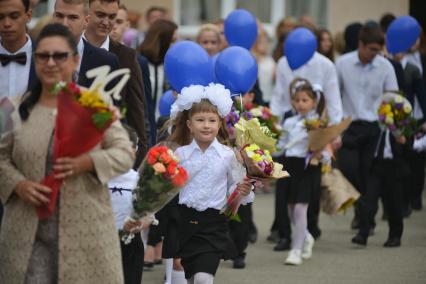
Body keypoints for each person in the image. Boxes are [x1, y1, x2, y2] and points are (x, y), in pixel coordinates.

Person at [0, 23, 134, 283]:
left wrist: (89, 162)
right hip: (26, 234)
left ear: (75, 61)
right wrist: (17, 184)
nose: (50, 63)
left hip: (85, 234)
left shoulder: (95, 103)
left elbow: (123, 152)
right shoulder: (10, 107)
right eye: (42, 55)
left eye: (59, 56)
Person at [164, 84, 256, 283]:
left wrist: (242, 189)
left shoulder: (228, 155)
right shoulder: (180, 155)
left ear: (220, 123)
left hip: (213, 224)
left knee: (203, 279)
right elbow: (168, 188)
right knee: (185, 277)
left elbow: (235, 187)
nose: (206, 125)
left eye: (212, 120)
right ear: (189, 124)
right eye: (200, 120)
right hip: (185, 223)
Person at [336, 23, 398, 231]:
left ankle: (365, 220)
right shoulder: (343, 63)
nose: (375, 54)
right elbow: (335, 94)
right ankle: (365, 212)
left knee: (368, 174)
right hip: (350, 126)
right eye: (371, 49)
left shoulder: (385, 66)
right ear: (360, 45)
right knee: (348, 170)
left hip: (374, 128)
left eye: (378, 50)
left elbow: (393, 98)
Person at [85, 0, 147, 167]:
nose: (106, 22)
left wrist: (138, 162)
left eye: (112, 17)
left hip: (111, 156)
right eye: (100, 15)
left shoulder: (126, 56)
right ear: (87, 13)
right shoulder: (70, 49)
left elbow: (136, 111)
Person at [277, 78, 327, 265]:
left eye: (305, 100)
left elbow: (325, 149)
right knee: (291, 211)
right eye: (297, 100)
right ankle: (306, 236)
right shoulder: (289, 122)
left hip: (308, 168)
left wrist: (322, 154)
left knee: (299, 210)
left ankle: (295, 250)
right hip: (290, 166)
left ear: (314, 102)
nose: (300, 104)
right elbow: (281, 146)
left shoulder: (318, 123)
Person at [352, 94, 411, 247]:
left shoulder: (402, 127)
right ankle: (363, 233)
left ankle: (395, 236)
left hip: (394, 168)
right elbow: (363, 141)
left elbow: (409, 149)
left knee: (393, 203)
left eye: (387, 110)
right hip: (376, 167)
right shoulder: (376, 128)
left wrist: (399, 134)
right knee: (368, 201)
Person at [108, 127, 147, 284]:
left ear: (135, 149)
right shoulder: (97, 177)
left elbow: (149, 214)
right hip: (104, 242)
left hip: (131, 243)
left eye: (128, 148)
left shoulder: (139, 179)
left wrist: (140, 224)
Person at [52, 0, 119, 89]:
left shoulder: (106, 61)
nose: (64, 24)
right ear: (53, 17)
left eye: (73, 17)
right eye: (59, 16)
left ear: (86, 21)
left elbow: (113, 101)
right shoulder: (37, 54)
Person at [138, 19, 177, 121]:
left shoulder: (169, 65)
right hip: (142, 124)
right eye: (172, 41)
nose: (174, 46)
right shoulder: (138, 62)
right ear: (163, 41)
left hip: (164, 123)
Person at [0, 0, 37, 98]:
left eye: (14, 16)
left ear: (28, 16)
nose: (7, 23)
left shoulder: (45, 56)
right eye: (0, 17)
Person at [252, 28, 276, 104]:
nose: (265, 46)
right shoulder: (253, 58)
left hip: (269, 96)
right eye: (262, 43)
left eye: (267, 43)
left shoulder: (270, 60)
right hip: (256, 96)